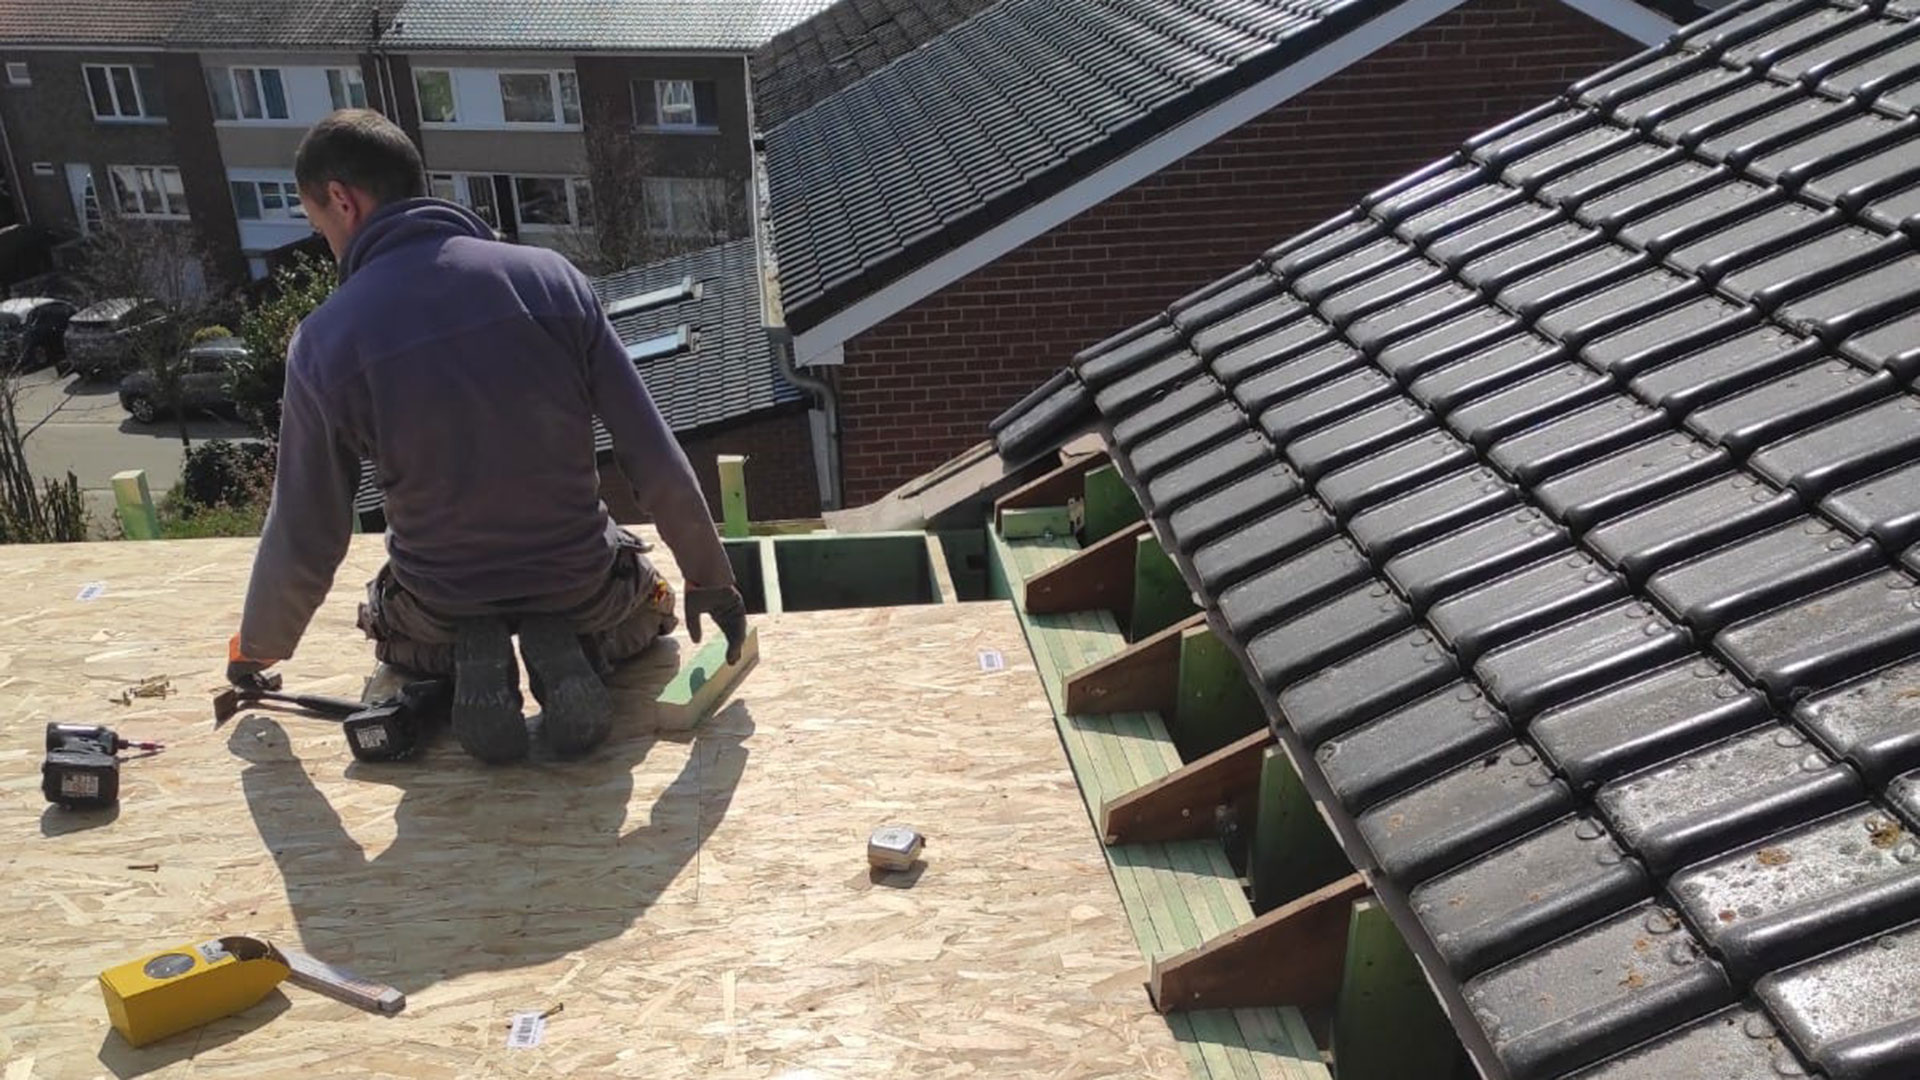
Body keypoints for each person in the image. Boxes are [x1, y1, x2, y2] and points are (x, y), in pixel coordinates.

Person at [225, 109, 747, 764]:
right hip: (584, 588)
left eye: (318, 224)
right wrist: (709, 578)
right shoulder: (551, 280)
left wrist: (257, 649)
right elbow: (652, 454)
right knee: (649, 610)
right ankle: (576, 649)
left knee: (391, 622)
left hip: (438, 608)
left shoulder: (325, 342)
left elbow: (307, 526)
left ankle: (471, 659)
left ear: (342, 200)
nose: (327, 243)